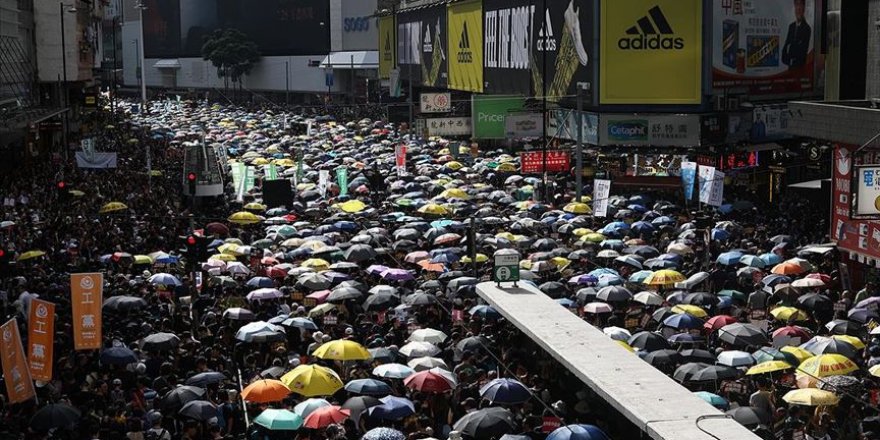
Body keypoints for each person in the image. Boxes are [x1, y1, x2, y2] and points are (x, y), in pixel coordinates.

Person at [781, 0, 812, 68]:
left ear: (804, 8)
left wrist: (791, 59)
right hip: (790, 68)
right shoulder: (791, 27)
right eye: (797, 5)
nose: (798, 8)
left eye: (800, 5)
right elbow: (785, 47)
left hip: (800, 69)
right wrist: (788, 60)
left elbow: (802, 52)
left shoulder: (807, 29)